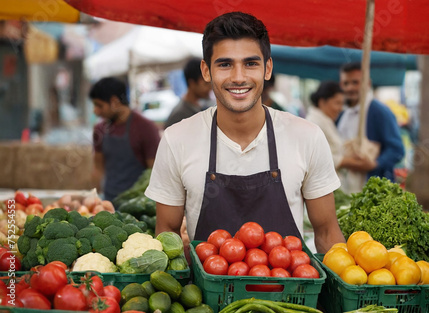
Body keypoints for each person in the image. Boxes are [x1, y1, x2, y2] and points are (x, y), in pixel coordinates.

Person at [145, 11, 345, 253]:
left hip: (291, 289)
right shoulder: (176, 140)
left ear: (267, 69)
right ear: (206, 71)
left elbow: (326, 232)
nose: (238, 78)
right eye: (225, 64)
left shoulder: (307, 137)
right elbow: (167, 235)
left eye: (251, 63)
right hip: (206, 290)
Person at [336, 62, 405, 193]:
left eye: (355, 82)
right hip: (345, 188)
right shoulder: (342, 113)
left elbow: (397, 149)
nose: (350, 87)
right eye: (346, 83)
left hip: (373, 190)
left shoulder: (379, 112)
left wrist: (375, 164)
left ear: (367, 83)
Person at [91, 77, 160, 203]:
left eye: (99, 105)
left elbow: (155, 173)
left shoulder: (146, 128)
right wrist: (95, 198)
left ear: (115, 102)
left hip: (137, 206)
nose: (95, 111)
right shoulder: (99, 130)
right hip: (109, 203)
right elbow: (98, 168)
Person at [306, 81, 374, 193]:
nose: (340, 108)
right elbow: (316, 158)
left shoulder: (326, 121)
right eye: (337, 103)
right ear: (322, 102)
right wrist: (352, 162)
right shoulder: (314, 123)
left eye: (342, 104)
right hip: (321, 187)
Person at [164, 58, 212, 128]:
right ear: (192, 83)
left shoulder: (200, 107)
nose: (210, 88)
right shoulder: (179, 116)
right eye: (205, 84)